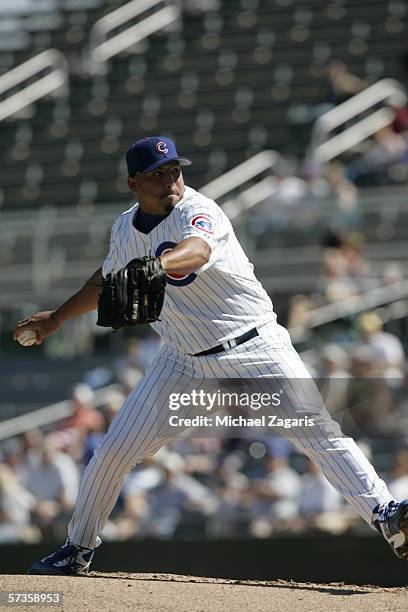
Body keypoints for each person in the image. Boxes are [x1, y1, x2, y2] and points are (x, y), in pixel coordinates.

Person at [13, 135, 408, 575]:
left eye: (175, 171)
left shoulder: (199, 211)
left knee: (317, 433)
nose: (170, 181)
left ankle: (387, 514)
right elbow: (107, 279)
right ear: (133, 184)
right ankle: (77, 549)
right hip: (183, 361)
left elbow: (196, 251)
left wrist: (156, 267)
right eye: (157, 175)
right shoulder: (125, 229)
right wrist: (58, 318)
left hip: (255, 347)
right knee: (112, 452)